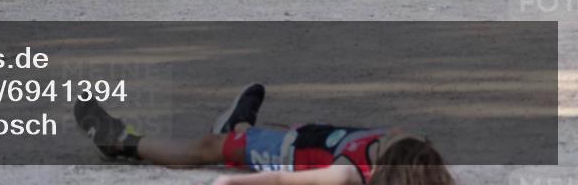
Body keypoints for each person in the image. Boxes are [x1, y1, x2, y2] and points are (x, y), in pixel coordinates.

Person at [74, 87, 453, 185]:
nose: (394, 133)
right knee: (240, 137)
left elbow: (282, 179)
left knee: (205, 149)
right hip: (312, 137)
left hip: (285, 151)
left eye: (389, 143)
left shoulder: (346, 175)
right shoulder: (412, 155)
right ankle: (238, 124)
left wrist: (230, 182)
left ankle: (121, 140)